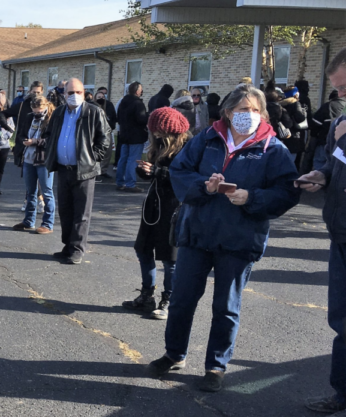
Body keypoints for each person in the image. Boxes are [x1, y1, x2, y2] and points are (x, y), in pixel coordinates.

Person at [146, 85, 300, 392]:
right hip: (197, 233)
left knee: (226, 307)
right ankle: (174, 353)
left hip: (239, 238)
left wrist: (252, 198)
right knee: (182, 300)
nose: (249, 116)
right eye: (242, 110)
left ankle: (216, 365)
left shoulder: (273, 148)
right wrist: (205, 187)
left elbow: (288, 191)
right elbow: (180, 171)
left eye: (255, 111)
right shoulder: (207, 139)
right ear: (228, 112)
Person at [297, 51, 346, 417]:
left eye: (344, 88)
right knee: (341, 319)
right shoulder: (341, 122)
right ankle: (341, 394)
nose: (340, 97)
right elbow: (334, 164)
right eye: (336, 89)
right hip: (340, 230)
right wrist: (321, 175)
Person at [121, 107, 190, 320]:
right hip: (153, 203)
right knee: (143, 249)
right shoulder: (158, 144)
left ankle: (168, 299)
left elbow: (187, 177)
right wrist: (145, 171)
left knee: (170, 257)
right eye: (154, 131)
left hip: (174, 205)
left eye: (159, 131)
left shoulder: (188, 146)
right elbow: (154, 174)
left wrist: (158, 172)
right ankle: (146, 295)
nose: (155, 135)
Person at [42, 78, 111, 264]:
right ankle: (67, 245)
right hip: (63, 169)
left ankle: (77, 248)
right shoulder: (59, 113)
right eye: (70, 93)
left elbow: (105, 140)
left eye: (78, 92)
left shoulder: (94, 112)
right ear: (64, 94)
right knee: (65, 210)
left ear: (84, 93)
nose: (74, 96)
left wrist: (93, 157)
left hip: (84, 171)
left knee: (81, 212)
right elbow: (49, 134)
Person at [11, 94, 56, 234]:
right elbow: (20, 134)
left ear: (45, 107)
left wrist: (35, 142)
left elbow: (52, 140)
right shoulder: (29, 117)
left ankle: (48, 224)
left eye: (39, 111)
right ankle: (29, 221)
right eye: (35, 111)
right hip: (29, 158)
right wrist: (24, 140)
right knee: (31, 192)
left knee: (47, 192)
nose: (37, 114)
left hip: (43, 160)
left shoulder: (52, 119)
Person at [115, 82, 148, 192]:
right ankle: (130, 184)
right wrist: (148, 116)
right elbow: (141, 119)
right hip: (136, 135)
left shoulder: (123, 102)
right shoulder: (138, 103)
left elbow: (118, 118)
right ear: (137, 91)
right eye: (141, 89)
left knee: (123, 159)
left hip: (124, 134)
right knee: (133, 160)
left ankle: (120, 182)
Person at [93, 86, 117, 182]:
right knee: (97, 151)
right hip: (96, 133)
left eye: (103, 96)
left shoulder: (109, 105)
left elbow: (114, 118)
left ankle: (103, 170)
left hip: (107, 132)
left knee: (107, 152)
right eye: (99, 97)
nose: (101, 99)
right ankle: (96, 172)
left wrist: (111, 125)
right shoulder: (93, 106)